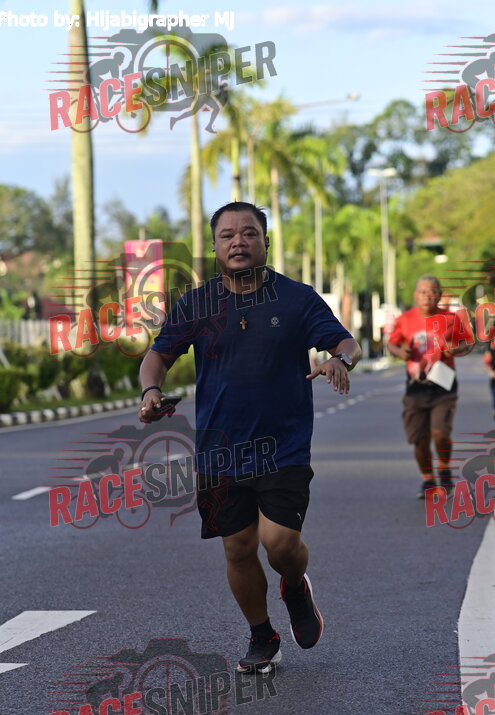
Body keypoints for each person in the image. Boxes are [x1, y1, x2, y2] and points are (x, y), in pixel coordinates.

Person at [138, 201, 361, 673]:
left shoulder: (296, 298)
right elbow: (158, 356)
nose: (238, 241)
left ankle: (295, 587)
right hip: (219, 451)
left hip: (284, 445)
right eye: (227, 235)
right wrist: (151, 390)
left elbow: (345, 342)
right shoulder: (196, 304)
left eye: (249, 232)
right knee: (237, 548)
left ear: (265, 241)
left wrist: (339, 359)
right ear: (215, 247)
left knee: (280, 545)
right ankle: (262, 636)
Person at [387, 275, 465, 499]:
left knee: (440, 432)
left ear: (439, 295)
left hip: (444, 384)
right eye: (423, 292)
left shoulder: (451, 318)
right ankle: (428, 479)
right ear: (415, 295)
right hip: (416, 387)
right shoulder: (405, 319)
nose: (427, 296)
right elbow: (392, 343)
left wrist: (455, 348)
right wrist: (400, 352)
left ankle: (444, 468)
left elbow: (465, 342)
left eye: (432, 292)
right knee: (420, 438)